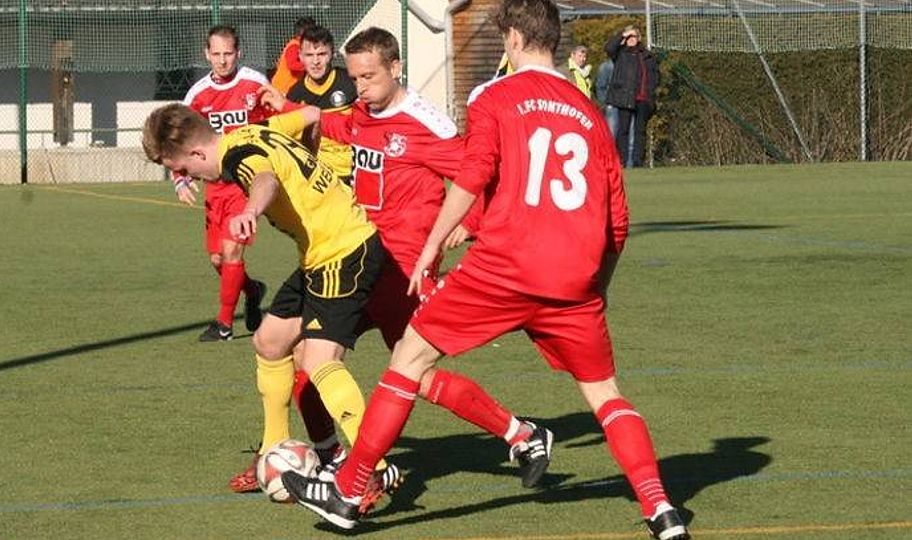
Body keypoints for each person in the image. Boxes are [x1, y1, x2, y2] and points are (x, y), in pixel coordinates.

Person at [280, 2, 690, 539]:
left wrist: (433, 243)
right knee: (607, 396)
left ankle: (349, 491)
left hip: (504, 267)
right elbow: (618, 222)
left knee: (408, 360)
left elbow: (471, 176)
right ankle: (661, 509)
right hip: (574, 276)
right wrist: (599, 288)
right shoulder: (589, 112)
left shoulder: (492, 96)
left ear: (514, 38)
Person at [262, 25, 553, 507]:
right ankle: (337, 461)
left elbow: (481, 175)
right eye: (355, 78)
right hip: (358, 258)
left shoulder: (427, 125)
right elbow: (340, 127)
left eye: (369, 77)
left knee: (410, 375)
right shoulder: (363, 110)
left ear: (396, 68)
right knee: (305, 360)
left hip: (404, 271)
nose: (360, 88)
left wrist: (469, 224)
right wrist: (289, 108)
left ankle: (518, 435)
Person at [143, 102, 402, 503]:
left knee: (319, 361)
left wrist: (251, 209)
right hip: (319, 253)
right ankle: (272, 452)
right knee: (269, 342)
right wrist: (312, 166)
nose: (188, 176)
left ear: (195, 153)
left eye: (182, 169)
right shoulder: (255, 129)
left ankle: (375, 469)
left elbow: (264, 179)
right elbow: (312, 115)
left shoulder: (239, 155)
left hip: (343, 250)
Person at [175, 25, 270, 343]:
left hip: (246, 182)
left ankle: (224, 325)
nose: (222, 60)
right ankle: (252, 290)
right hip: (214, 186)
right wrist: (180, 177)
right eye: (216, 54)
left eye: (228, 53)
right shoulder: (197, 95)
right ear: (207, 54)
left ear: (238, 52)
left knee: (231, 251)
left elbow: (275, 124)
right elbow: (182, 140)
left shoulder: (255, 84)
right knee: (218, 260)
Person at [286, 24, 356, 183]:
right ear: (300, 56)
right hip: (321, 177)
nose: (315, 61)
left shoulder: (351, 82)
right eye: (309, 55)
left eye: (322, 54)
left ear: (332, 54)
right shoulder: (295, 95)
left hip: (354, 171)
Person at [604, 25, 659, 168]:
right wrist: (623, 34)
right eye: (628, 37)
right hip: (625, 98)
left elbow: (654, 77)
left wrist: (650, 94)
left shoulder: (647, 56)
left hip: (643, 98)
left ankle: (637, 161)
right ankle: (622, 160)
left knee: (640, 131)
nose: (631, 39)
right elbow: (609, 48)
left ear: (639, 38)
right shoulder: (620, 54)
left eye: (633, 36)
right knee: (623, 130)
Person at [269, 16, 316, 94]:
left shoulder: (298, 46)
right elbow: (292, 65)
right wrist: (310, 66)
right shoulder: (294, 46)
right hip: (282, 89)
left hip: (286, 88)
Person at [594, 57, 619, 136]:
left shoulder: (626, 65)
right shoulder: (607, 66)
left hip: (624, 104)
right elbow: (600, 87)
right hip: (611, 105)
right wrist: (605, 104)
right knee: (611, 134)